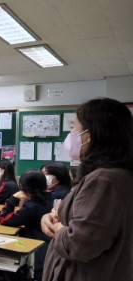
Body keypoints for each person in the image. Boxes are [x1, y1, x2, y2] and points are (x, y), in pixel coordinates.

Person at [41, 98, 133, 281]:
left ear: (90, 134)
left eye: (74, 127)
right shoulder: (110, 175)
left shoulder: (104, 180)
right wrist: (50, 217)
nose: (71, 134)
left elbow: (78, 244)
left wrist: (57, 227)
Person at [0, 170, 53, 279]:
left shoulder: (32, 205)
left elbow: (4, 219)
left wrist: (13, 199)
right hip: (50, 246)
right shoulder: (52, 197)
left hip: (36, 251)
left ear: (25, 187)